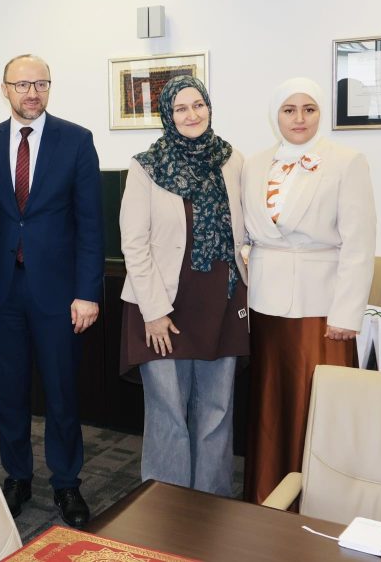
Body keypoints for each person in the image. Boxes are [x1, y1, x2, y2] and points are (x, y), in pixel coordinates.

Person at [0, 54, 104, 527]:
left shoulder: (76, 140)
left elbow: (91, 224)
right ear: (5, 89)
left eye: (41, 83)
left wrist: (88, 292)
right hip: (3, 290)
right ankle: (18, 476)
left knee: (61, 392)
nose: (32, 93)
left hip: (59, 293)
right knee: (9, 392)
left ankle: (66, 482)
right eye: (22, 84)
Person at [242, 77, 376, 504]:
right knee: (270, 403)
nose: (299, 118)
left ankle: (321, 502)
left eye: (309, 109)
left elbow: (359, 244)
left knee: (318, 404)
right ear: (275, 115)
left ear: (320, 112)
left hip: (323, 308)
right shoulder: (253, 164)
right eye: (289, 110)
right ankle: (267, 494)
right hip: (265, 304)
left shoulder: (347, 162)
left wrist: (347, 314)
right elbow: (245, 231)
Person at [118, 75, 248, 498]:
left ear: (209, 107)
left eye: (198, 105)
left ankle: (212, 502)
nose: (192, 115)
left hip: (222, 299)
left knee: (217, 411)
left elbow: (246, 226)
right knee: (168, 413)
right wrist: (154, 311)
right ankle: (166, 505)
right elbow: (133, 243)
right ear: (167, 115)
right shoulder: (146, 166)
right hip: (162, 305)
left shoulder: (232, 160)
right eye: (180, 108)